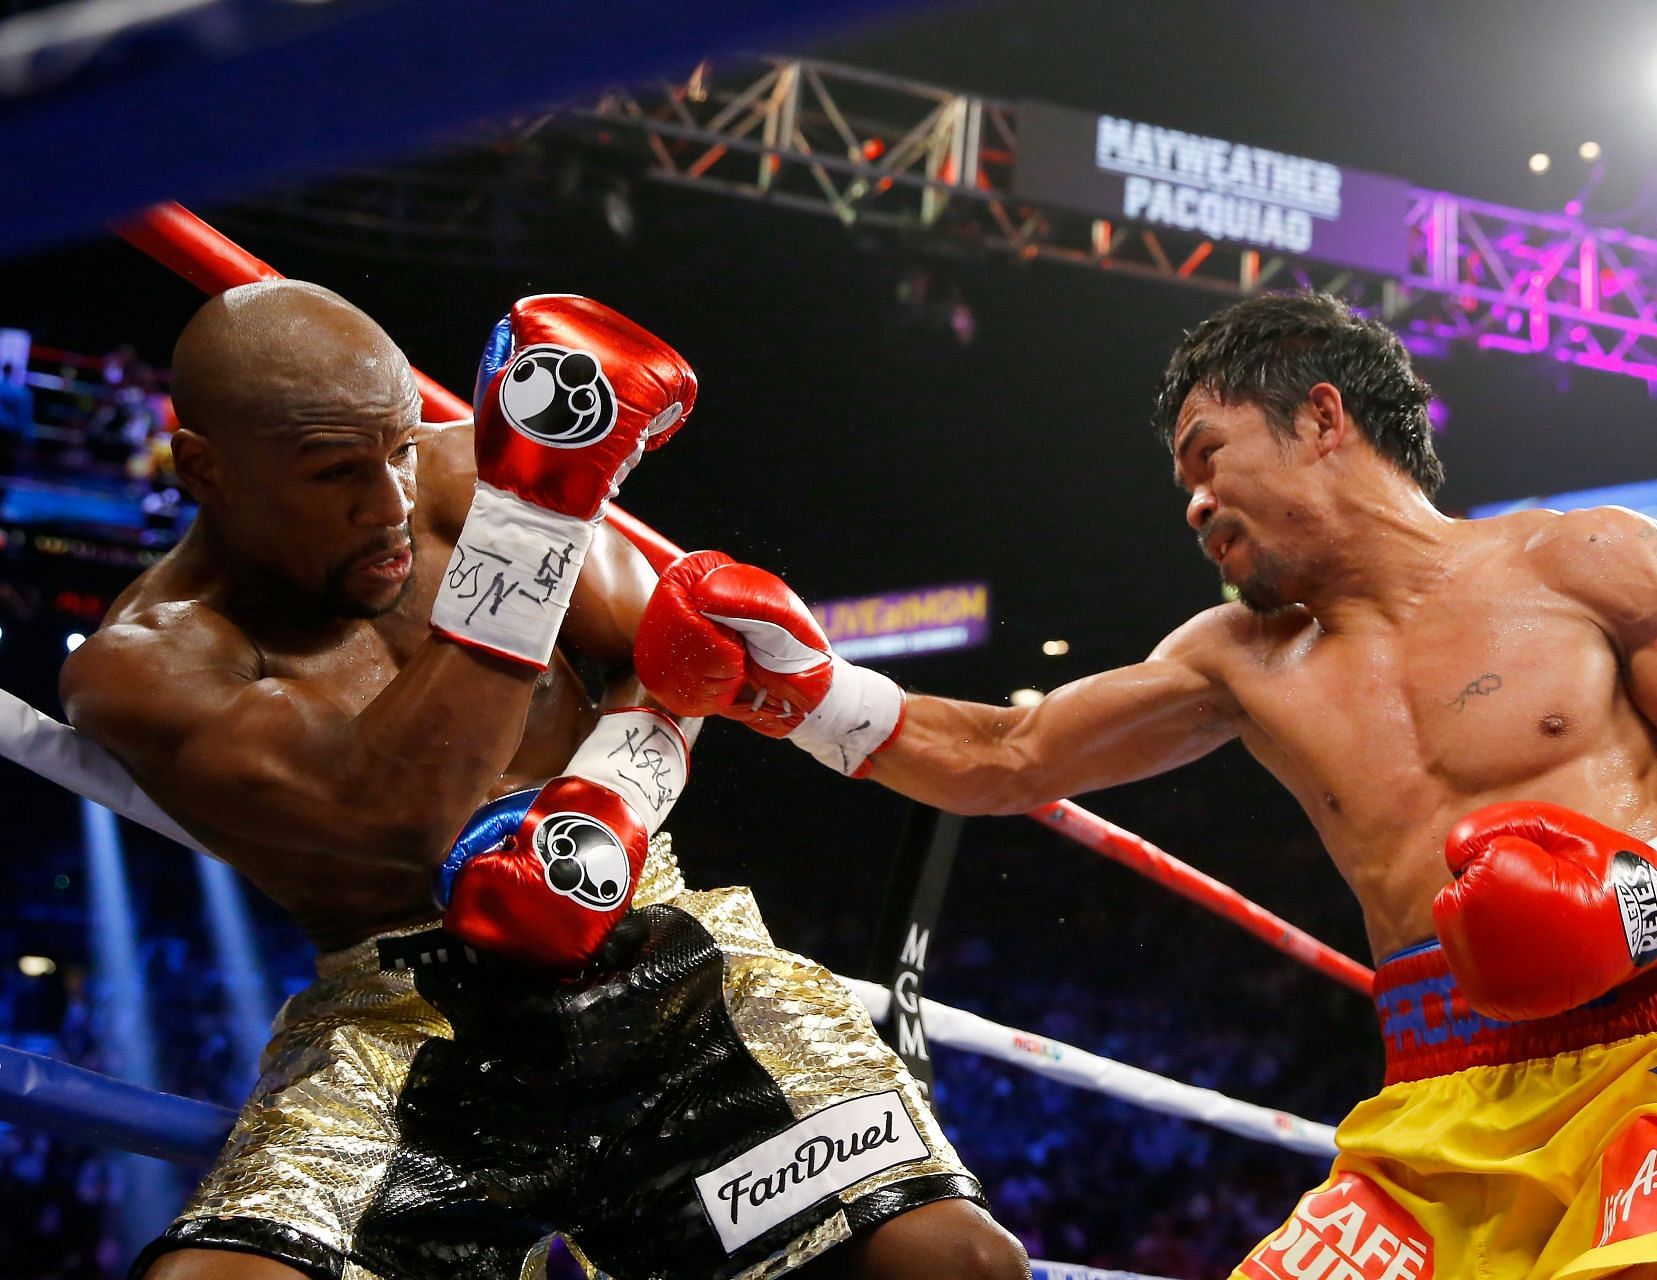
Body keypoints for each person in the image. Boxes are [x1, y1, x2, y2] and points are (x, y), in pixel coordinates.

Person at [633, 291, 1657, 1278]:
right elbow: (1010, 757)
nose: (1195, 503)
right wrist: (789, 688)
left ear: (1323, 416)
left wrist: (1640, 900)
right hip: (1429, 1116)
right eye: (1184, 485)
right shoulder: (1239, 658)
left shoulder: (1588, 557)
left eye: (1208, 456)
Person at [58, 281, 1027, 1280]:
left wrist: (610, 801)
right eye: (334, 471)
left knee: (952, 1261)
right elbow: (399, 811)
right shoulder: (147, 663)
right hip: (405, 1022)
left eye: (396, 447)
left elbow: (675, 648)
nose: (389, 500)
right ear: (203, 467)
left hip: (660, 954)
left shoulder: (462, 477)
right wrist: (535, 519)